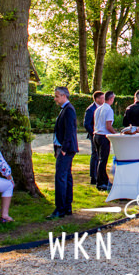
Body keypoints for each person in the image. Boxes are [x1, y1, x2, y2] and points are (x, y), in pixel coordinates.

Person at [49, 86, 77, 219]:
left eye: (56, 96)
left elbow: (69, 131)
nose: (55, 99)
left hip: (66, 149)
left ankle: (60, 208)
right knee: (66, 177)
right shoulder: (66, 110)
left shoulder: (69, 110)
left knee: (60, 177)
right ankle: (66, 206)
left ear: (63, 96)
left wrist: (64, 149)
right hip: (63, 148)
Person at [92, 91, 115, 191]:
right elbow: (108, 125)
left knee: (99, 159)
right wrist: (115, 133)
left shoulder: (98, 109)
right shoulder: (108, 109)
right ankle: (100, 182)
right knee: (103, 160)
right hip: (103, 136)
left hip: (96, 134)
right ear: (111, 99)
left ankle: (102, 179)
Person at [84, 91, 101, 184]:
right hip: (94, 135)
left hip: (100, 135)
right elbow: (86, 124)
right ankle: (93, 176)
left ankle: (98, 174)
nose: (103, 100)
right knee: (95, 155)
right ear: (97, 99)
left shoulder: (102, 108)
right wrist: (93, 133)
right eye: (102, 98)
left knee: (99, 155)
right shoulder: (90, 109)